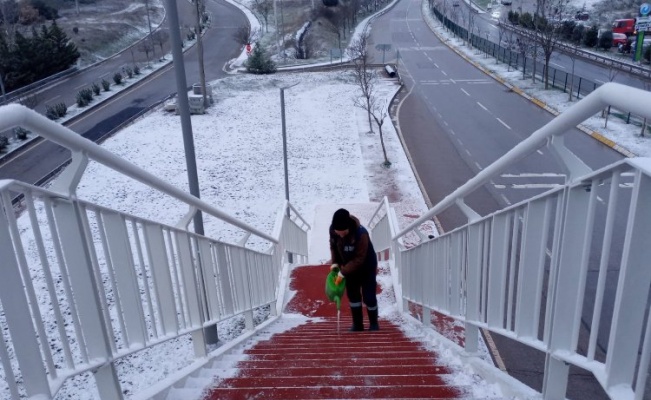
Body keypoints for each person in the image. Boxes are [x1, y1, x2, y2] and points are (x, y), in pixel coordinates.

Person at [328, 208, 379, 331]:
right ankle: (358, 325)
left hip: (366, 268)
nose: (340, 234)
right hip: (348, 268)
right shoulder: (333, 230)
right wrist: (335, 265)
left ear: (348, 227)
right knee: (353, 296)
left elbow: (359, 259)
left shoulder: (361, 234)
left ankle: (373, 323)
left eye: (343, 232)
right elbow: (334, 247)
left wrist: (343, 272)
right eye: (337, 231)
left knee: (369, 297)